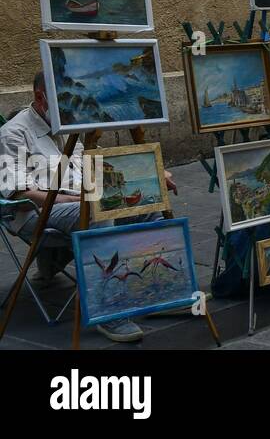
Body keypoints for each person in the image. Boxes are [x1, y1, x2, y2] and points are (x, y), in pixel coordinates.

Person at [0, 72, 178, 342]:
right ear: (40, 97)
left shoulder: (68, 127)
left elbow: (94, 168)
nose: (73, 105)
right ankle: (110, 310)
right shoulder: (13, 133)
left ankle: (160, 291)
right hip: (34, 213)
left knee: (148, 204)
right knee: (97, 211)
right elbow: (20, 190)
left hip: (76, 201)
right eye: (65, 100)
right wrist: (69, 200)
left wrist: (148, 175)